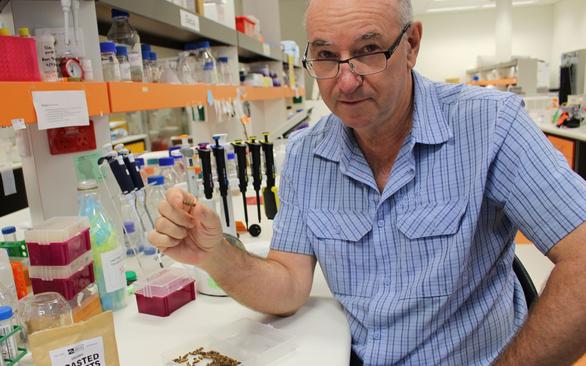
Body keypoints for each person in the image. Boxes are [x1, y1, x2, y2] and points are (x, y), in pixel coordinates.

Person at [148, 0, 586, 364]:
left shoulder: (490, 125)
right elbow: (288, 284)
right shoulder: (305, 154)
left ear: (411, 44)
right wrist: (217, 255)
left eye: (369, 49)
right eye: (324, 56)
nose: (346, 79)